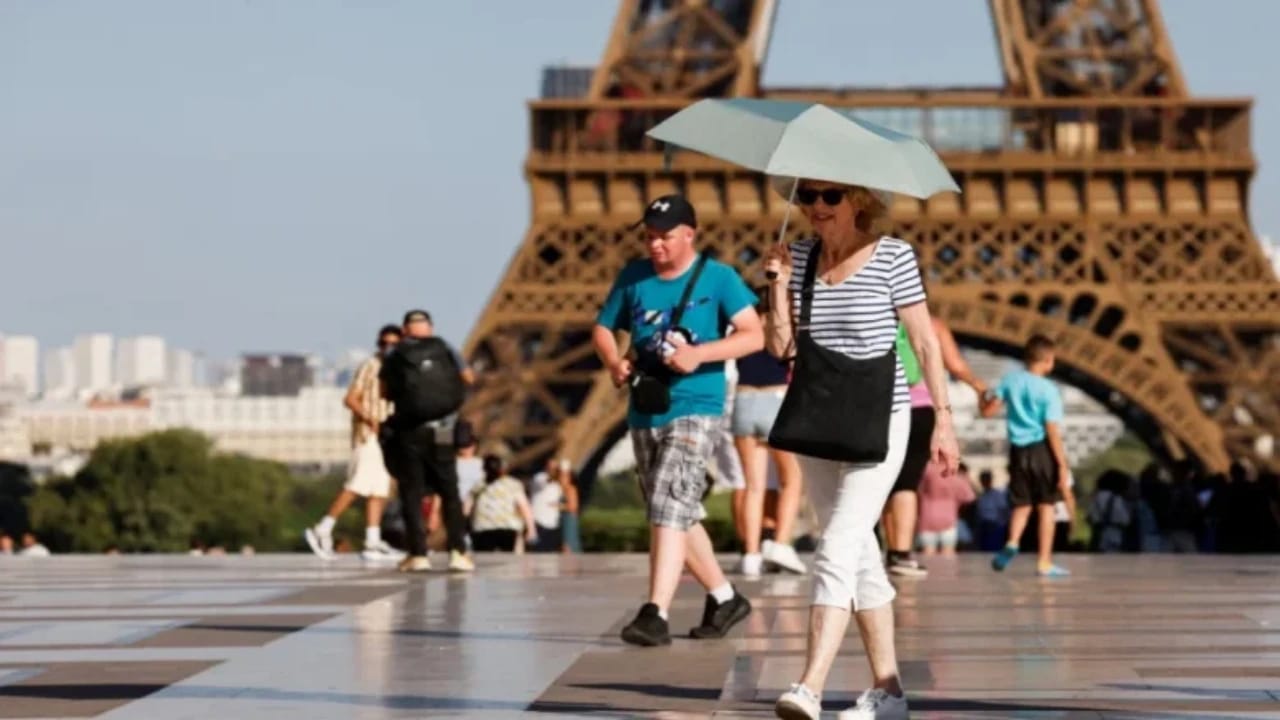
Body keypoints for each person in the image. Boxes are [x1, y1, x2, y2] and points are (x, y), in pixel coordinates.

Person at [764, 179, 959, 720]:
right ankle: (889, 692)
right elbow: (781, 348)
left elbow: (924, 342)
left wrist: (944, 422)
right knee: (861, 556)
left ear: (859, 200)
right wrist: (777, 287)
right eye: (807, 196)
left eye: (830, 196)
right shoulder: (798, 258)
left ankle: (809, 685)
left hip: (881, 419)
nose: (817, 206)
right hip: (819, 421)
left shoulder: (893, 256)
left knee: (836, 547)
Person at [593, 194, 764, 647]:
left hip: (698, 405)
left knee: (669, 501)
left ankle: (656, 612)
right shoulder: (633, 277)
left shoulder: (720, 278)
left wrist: (699, 354)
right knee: (674, 507)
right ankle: (725, 597)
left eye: (665, 237)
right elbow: (604, 326)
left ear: (690, 233)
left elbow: (754, 335)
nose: (655, 245)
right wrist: (613, 361)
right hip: (646, 405)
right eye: (649, 237)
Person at [881, 317, 987, 577]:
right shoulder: (933, 325)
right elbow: (956, 366)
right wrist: (980, 387)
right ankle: (900, 554)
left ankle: (885, 549)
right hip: (920, 408)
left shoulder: (879, 316)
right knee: (907, 484)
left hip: (882, 406)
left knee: (883, 482)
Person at [380, 309, 477, 573]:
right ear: (430, 328)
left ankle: (418, 554)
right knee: (449, 490)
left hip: (410, 431)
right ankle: (458, 553)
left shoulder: (395, 353)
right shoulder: (445, 348)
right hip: (443, 428)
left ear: (405, 330)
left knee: (411, 491)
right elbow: (469, 378)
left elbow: (384, 392)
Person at [305, 324, 406, 561]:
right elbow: (351, 398)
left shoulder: (398, 368)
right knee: (357, 484)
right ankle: (323, 528)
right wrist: (371, 419)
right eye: (384, 344)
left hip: (387, 435)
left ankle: (372, 540)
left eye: (394, 344)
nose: (389, 348)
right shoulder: (371, 365)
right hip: (369, 435)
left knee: (379, 489)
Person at [981, 334, 1073, 576]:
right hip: (1042, 450)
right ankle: (1044, 562)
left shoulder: (1010, 380)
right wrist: (1062, 464)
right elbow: (1051, 429)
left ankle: (1012, 542)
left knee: (1021, 505)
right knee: (1046, 507)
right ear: (1049, 360)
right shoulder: (1049, 390)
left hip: (1017, 451)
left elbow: (988, 412)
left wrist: (984, 395)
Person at [731, 288, 806, 577]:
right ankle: (781, 545)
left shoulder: (741, 327)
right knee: (791, 480)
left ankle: (751, 555)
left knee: (753, 486)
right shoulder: (786, 327)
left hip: (743, 400)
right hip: (777, 399)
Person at [465, 454, 538, 552]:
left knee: (483, 558)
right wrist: (531, 529)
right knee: (506, 558)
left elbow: (466, 510)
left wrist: (462, 529)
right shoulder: (513, 484)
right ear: (501, 468)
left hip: (482, 527)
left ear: (484, 469)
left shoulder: (477, 485)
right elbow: (524, 508)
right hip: (507, 527)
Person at [915, 461, 976, 556]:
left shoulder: (926, 469)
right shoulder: (954, 474)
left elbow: (917, 490)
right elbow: (970, 497)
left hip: (927, 518)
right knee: (948, 554)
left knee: (928, 554)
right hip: (948, 519)